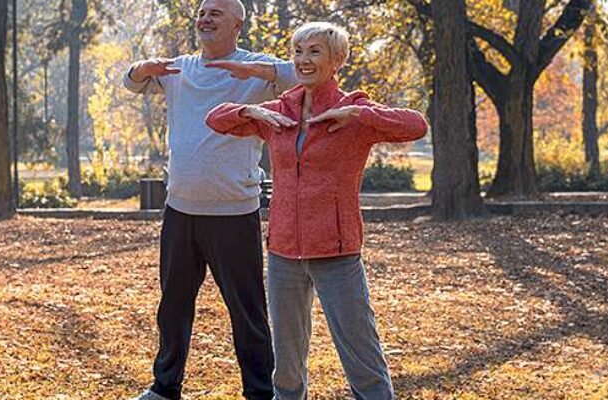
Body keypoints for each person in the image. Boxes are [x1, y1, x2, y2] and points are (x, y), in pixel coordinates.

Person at [205, 21, 429, 400]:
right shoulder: (279, 112)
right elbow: (216, 119)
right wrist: (250, 112)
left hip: (337, 253)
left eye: (314, 52)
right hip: (282, 255)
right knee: (287, 368)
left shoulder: (354, 111)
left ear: (337, 60)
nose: (303, 60)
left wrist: (358, 116)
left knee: (362, 358)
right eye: (297, 51)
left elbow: (416, 125)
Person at [123, 0, 299, 399]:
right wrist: (141, 68)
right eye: (202, 12)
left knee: (248, 312)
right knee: (173, 308)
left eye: (215, 13)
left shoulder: (256, 66)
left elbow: (303, 76)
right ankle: (165, 388)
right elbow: (129, 84)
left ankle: (259, 391)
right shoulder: (180, 68)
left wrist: (256, 71)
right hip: (180, 211)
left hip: (234, 213)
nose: (204, 18)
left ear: (238, 23)